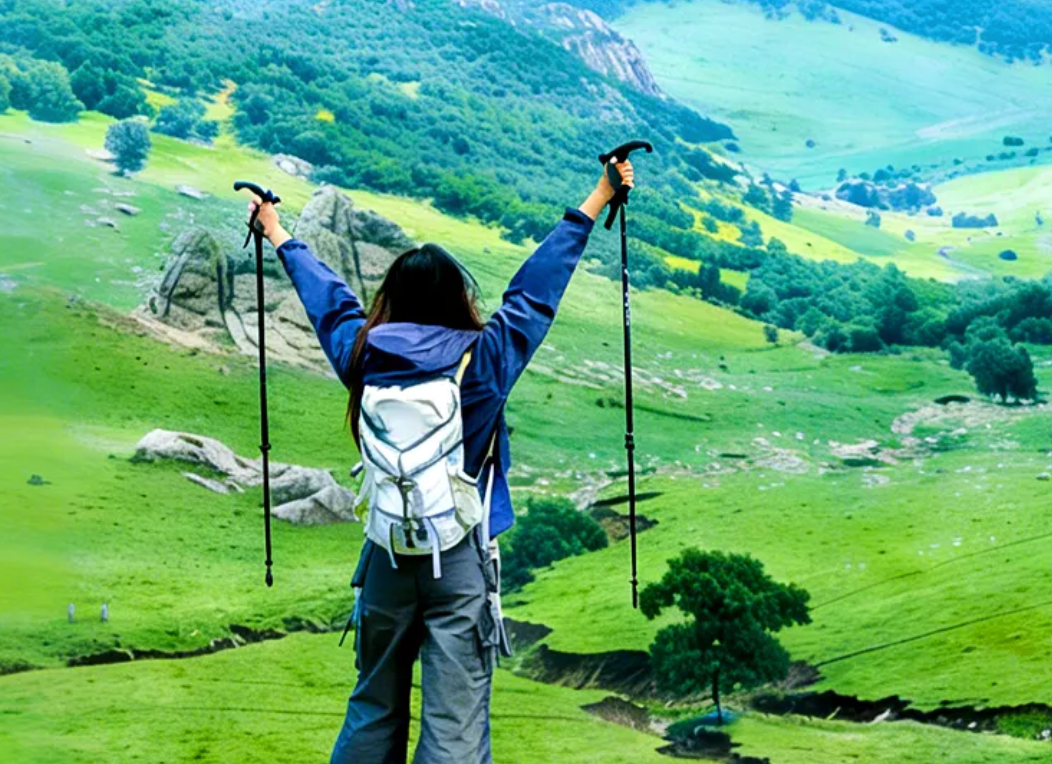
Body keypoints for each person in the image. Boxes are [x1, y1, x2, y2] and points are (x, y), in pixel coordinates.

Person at [247, 155, 634, 764]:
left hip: (384, 556)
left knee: (373, 706)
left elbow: (328, 301)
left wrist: (276, 230)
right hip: (457, 558)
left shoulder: (362, 353)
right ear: (457, 299)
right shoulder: (483, 359)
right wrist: (600, 194)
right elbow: (534, 294)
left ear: (392, 299)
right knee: (454, 723)